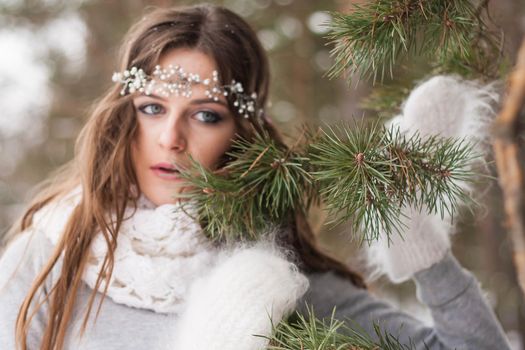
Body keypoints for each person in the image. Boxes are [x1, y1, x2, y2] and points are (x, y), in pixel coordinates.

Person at [0, 3, 511, 350]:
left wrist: (425, 251)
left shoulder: (280, 279)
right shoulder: (52, 258)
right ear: (124, 115)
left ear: (241, 134)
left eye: (205, 115)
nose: (171, 138)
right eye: (152, 107)